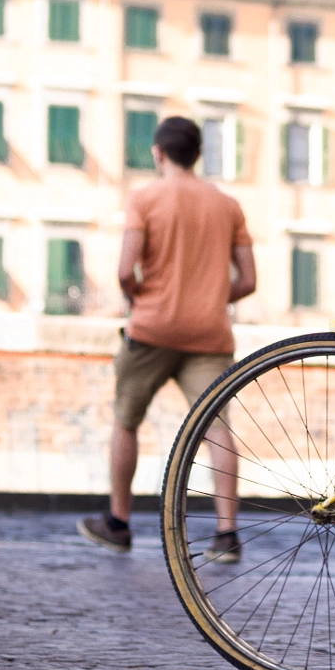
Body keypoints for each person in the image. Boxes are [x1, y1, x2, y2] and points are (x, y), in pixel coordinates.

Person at [80, 117, 256, 555]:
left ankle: (119, 523)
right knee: (217, 430)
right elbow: (249, 280)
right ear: (198, 155)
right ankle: (226, 533)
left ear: (159, 153)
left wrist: (136, 294)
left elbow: (125, 269)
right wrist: (213, 296)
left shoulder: (145, 198)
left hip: (152, 329)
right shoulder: (227, 205)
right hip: (210, 334)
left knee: (126, 421)